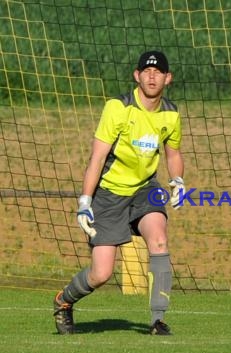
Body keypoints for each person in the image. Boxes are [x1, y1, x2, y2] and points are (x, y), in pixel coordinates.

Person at [53, 50, 186, 335]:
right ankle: (63, 301)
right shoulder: (117, 108)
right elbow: (97, 158)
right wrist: (85, 201)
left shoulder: (172, 114)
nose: (152, 75)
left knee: (159, 239)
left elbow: (173, 153)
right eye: (146, 71)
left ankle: (157, 321)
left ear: (168, 78)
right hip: (109, 193)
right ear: (136, 76)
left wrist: (178, 180)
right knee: (101, 274)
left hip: (145, 189)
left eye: (158, 71)